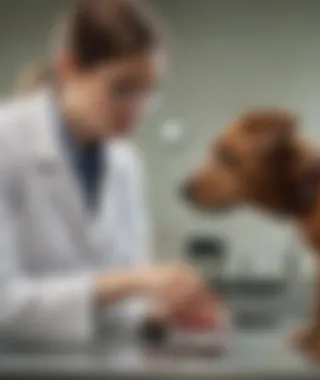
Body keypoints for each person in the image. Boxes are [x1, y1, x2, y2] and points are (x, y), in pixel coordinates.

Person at [0, 0, 221, 345]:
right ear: (70, 68)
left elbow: (126, 304)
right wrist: (134, 283)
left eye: (148, 92)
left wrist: (162, 310)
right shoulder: (7, 141)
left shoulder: (126, 161)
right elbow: (4, 304)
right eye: (122, 89)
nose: (137, 110)